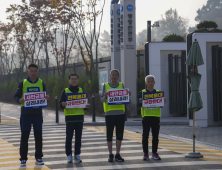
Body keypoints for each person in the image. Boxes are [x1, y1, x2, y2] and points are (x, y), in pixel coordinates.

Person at [14, 63, 50, 167]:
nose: (33, 73)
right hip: (26, 114)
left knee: (38, 136)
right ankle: (23, 159)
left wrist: (47, 97)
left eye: (35, 71)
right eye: (31, 71)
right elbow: (16, 96)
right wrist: (19, 100)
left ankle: (38, 157)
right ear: (28, 72)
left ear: (38, 72)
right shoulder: (22, 83)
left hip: (38, 114)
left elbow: (45, 95)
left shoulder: (41, 83)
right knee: (24, 136)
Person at [100, 69, 131, 162]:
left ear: (118, 76)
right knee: (109, 135)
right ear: (110, 76)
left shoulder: (122, 85)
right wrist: (105, 96)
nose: (114, 76)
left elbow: (125, 99)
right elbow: (102, 100)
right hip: (109, 114)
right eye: (113, 75)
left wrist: (129, 94)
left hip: (120, 113)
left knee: (119, 135)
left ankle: (117, 153)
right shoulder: (105, 86)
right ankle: (110, 154)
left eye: (116, 75)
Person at [59, 73, 90, 163]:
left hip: (79, 118)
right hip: (69, 118)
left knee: (78, 137)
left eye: (75, 79)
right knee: (69, 137)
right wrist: (62, 104)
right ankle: (69, 155)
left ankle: (77, 154)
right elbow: (60, 104)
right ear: (69, 80)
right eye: (72, 79)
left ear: (78, 80)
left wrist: (87, 106)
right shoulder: (65, 91)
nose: (74, 80)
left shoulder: (81, 91)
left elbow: (84, 105)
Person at [137, 75, 166, 161]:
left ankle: (154, 153)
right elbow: (139, 104)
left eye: (151, 81)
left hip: (156, 117)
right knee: (145, 136)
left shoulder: (158, 92)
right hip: (146, 117)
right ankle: (145, 154)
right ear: (146, 83)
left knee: (155, 136)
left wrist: (163, 101)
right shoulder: (141, 92)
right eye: (148, 81)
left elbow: (161, 106)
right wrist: (140, 101)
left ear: (154, 82)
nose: (150, 83)